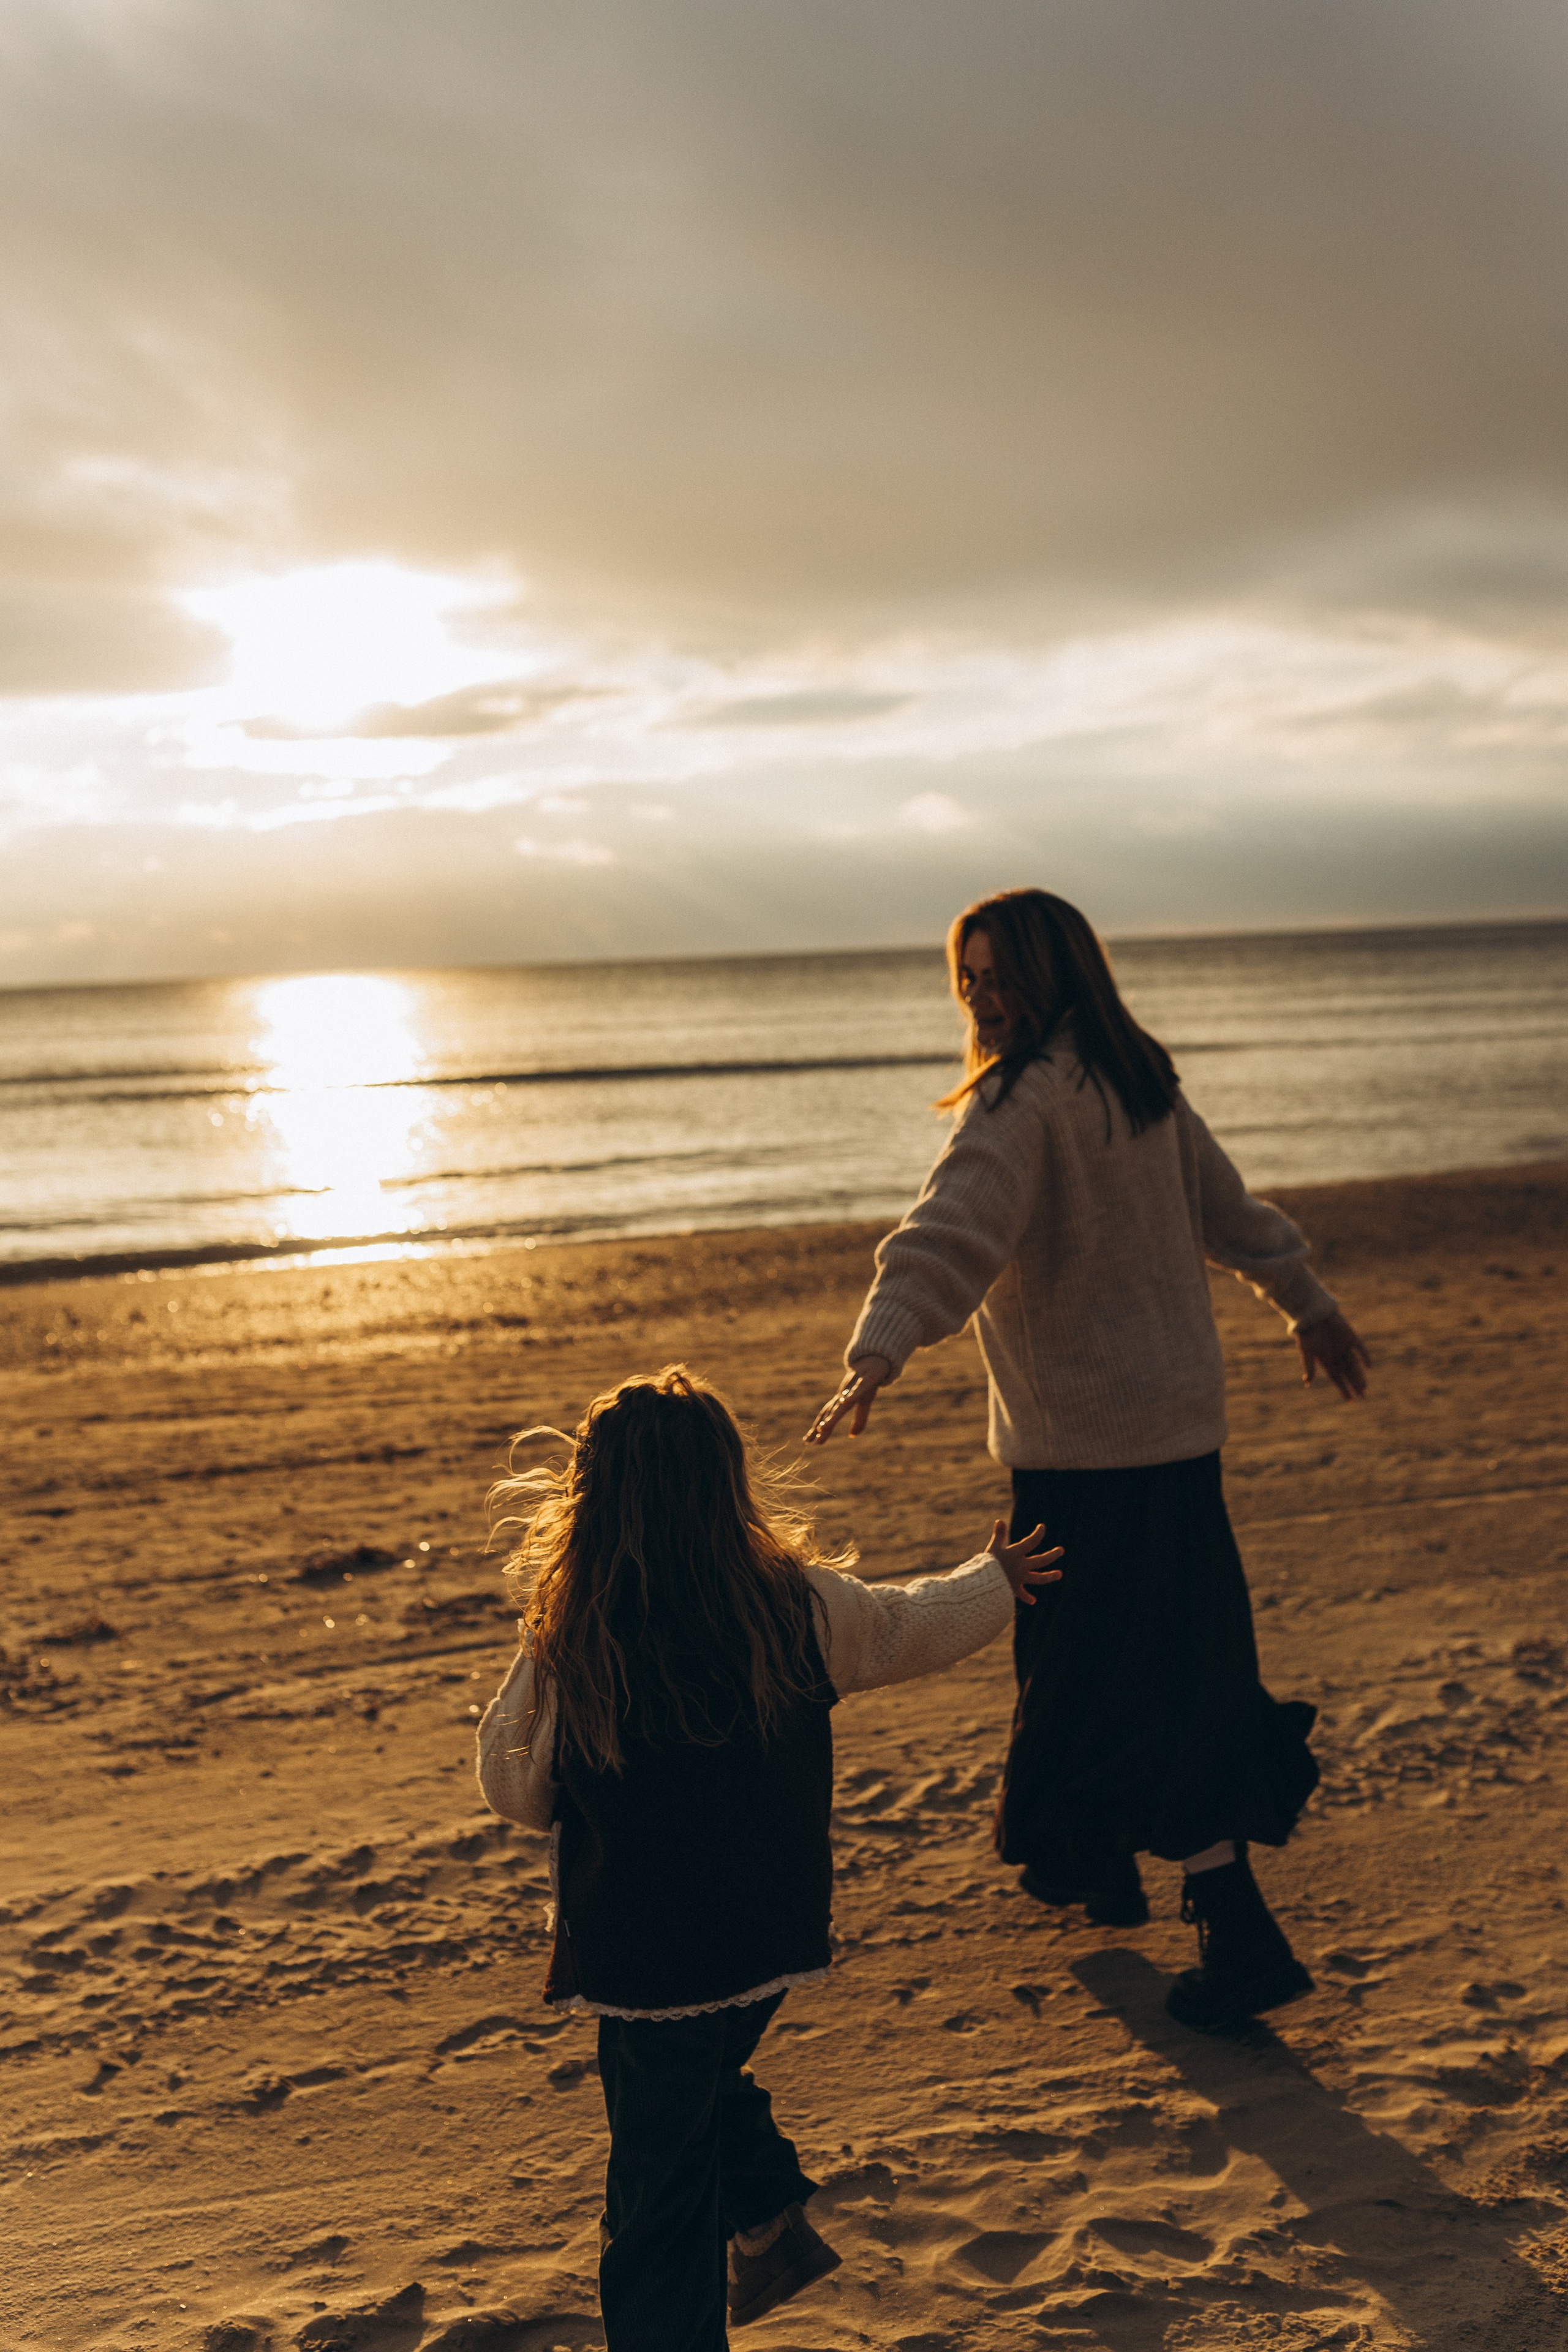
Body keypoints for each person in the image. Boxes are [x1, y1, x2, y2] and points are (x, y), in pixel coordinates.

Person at [805, 888, 1372, 2035]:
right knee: (1144, 1665)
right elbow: (1237, 1218)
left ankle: (1233, 1929)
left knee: (1115, 1681)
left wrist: (878, 1350)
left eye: (999, 974)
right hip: (1176, 1445)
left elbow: (950, 1228)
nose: (981, 997)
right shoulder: (1135, 1086)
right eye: (966, 979)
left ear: (1057, 973)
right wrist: (1306, 1302)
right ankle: (1098, 1869)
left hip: (1083, 1462)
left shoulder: (1024, 1104)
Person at [476, 1363, 1060, 2351]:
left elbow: (513, 1787)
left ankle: (736, 2253)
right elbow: (909, 1627)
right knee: (696, 2088)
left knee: (655, 2200)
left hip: (643, 1960)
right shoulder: (797, 1606)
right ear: (728, 1485)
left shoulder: (572, 1638)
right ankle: (771, 2220)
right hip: (763, 1941)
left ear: (593, 1498)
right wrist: (993, 1581)